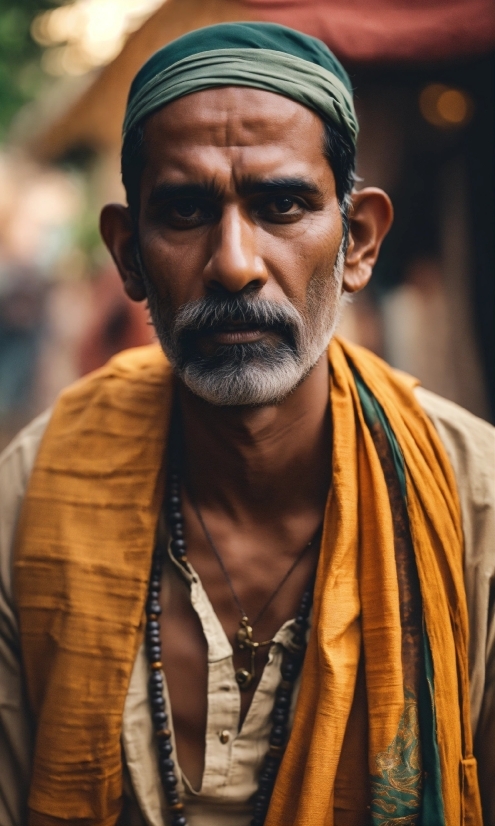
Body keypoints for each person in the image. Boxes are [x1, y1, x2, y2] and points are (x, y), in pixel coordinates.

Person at [0, 22, 494, 826]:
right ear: (127, 254)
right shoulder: (33, 489)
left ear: (358, 242)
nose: (234, 261)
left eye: (282, 204)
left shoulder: (474, 501)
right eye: (187, 210)